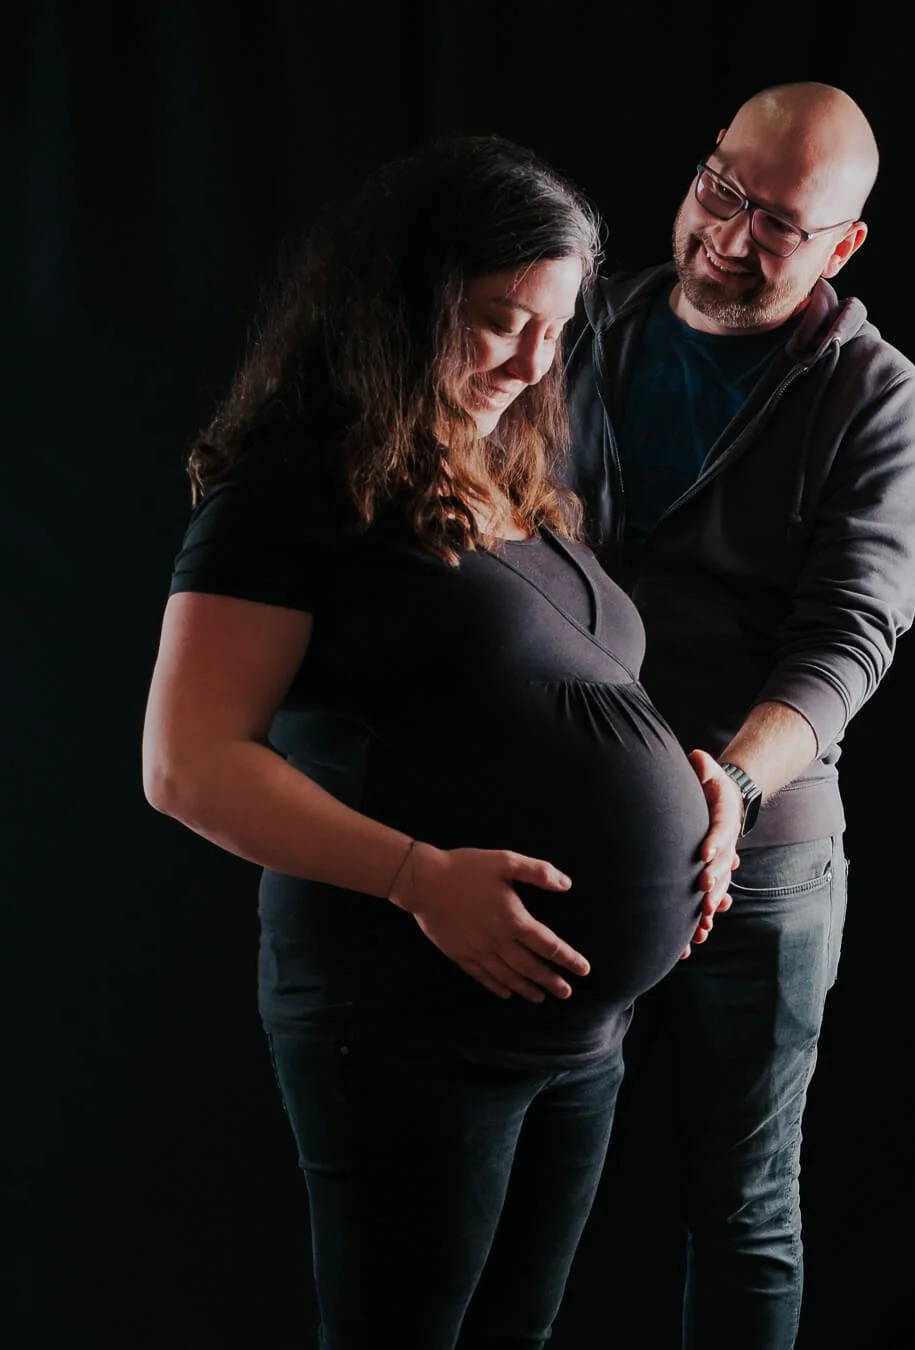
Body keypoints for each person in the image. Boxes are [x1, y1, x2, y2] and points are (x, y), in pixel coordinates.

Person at [140, 133, 734, 1350]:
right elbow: (187, 763)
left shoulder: (505, 474)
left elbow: (559, 693)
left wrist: (701, 789)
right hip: (407, 1018)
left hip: (575, 1031)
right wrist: (423, 880)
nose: (529, 360)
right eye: (494, 320)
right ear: (399, 309)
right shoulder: (289, 493)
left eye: (555, 328)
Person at [551, 82, 915, 1350]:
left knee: (745, 1205)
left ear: (844, 244)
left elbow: (851, 636)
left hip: (762, 860)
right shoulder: (579, 327)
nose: (728, 238)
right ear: (705, 157)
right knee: (526, 1183)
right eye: (724, 189)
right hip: (563, 840)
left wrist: (731, 783)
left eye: (781, 222)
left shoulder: (873, 396)